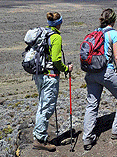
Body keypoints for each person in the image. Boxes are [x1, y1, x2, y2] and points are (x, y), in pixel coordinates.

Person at [82, 8, 117, 150]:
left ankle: (87, 138)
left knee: (92, 105)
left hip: (91, 73)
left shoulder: (95, 33)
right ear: (114, 20)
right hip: (106, 72)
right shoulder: (113, 34)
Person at [32, 12, 72, 151]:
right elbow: (56, 59)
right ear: (59, 23)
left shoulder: (42, 34)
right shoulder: (55, 37)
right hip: (50, 76)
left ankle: (39, 135)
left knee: (42, 105)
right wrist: (66, 68)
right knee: (47, 107)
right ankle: (40, 140)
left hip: (39, 75)